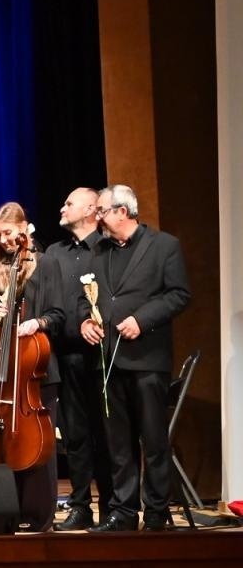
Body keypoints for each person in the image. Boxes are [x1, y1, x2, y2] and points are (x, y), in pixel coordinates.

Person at [79, 185, 191, 532]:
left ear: (122, 212)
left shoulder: (164, 246)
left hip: (146, 359)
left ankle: (157, 511)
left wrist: (142, 320)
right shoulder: (98, 251)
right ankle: (123, 513)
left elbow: (178, 294)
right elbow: (86, 297)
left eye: (101, 210)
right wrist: (85, 320)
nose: (96, 217)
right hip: (108, 360)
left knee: (153, 439)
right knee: (118, 443)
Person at [0, 204, 66, 530]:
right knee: (2, 443)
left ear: (25, 228)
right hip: (1, 367)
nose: (5, 240)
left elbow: (58, 313)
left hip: (36, 366)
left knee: (37, 443)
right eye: (0, 235)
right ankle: (3, 510)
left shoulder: (46, 264)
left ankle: (38, 515)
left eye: (9, 234)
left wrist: (37, 322)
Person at [45, 187, 111, 530]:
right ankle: (81, 505)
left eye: (69, 203)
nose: (62, 206)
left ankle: (114, 506)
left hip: (100, 356)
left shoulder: (106, 248)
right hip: (65, 355)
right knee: (76, 436)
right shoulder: (54, 253)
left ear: (90, 209)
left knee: (106, 433)